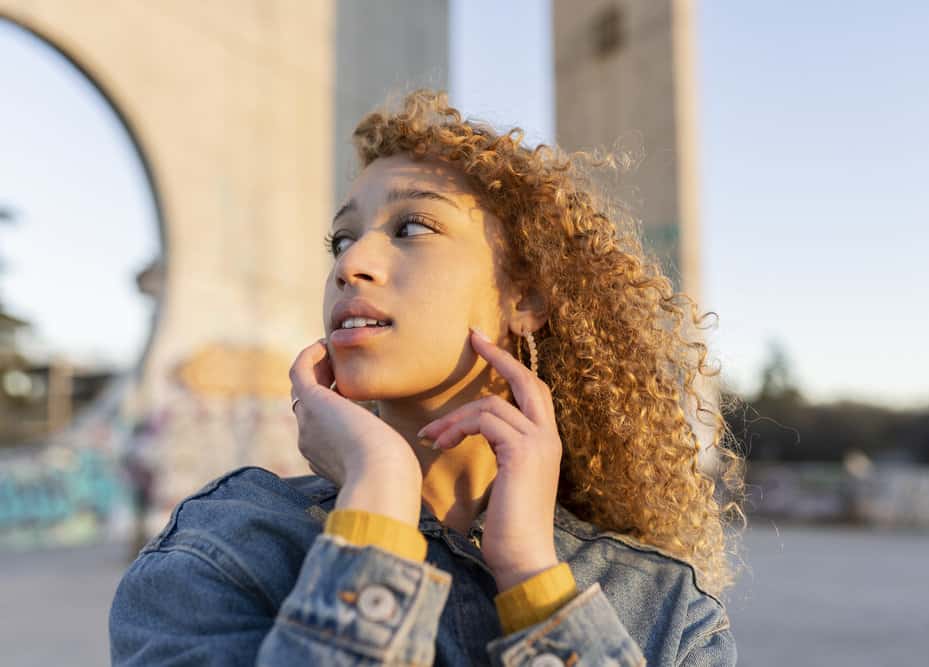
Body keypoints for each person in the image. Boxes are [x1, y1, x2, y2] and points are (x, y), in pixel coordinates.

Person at [109, 89, 746, 666]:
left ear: (523, 297)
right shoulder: (227, 547)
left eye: (412, 227)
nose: (351, 263)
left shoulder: (665, 610)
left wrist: (531, 578)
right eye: (340, 240)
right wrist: (378, 499)